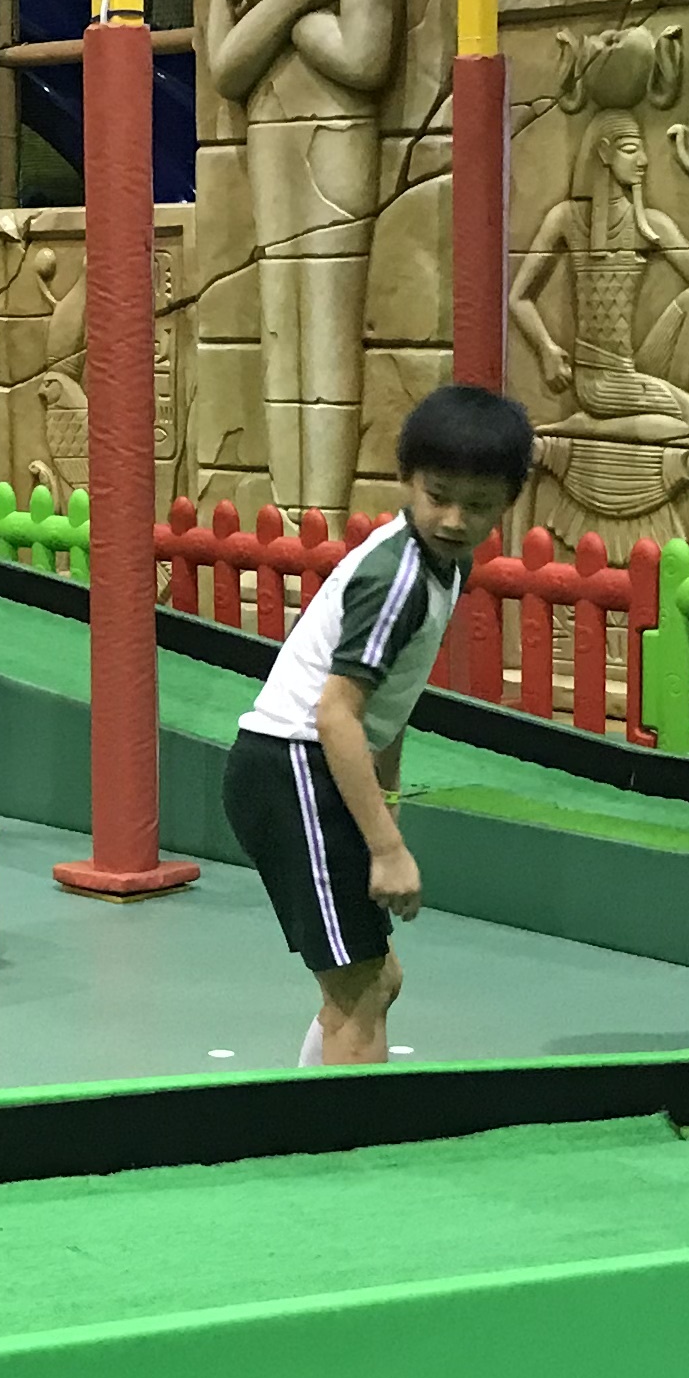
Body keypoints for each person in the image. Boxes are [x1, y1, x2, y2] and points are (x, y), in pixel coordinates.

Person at [224, 382, 537, 1068]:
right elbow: (336, 713)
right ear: (405, 480)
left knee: (376, 981)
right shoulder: (397, 578)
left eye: (478, 505)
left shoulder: (446, 566)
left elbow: (391, 701)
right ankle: (350, 1139)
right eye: (438, 495)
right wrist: (387, 847)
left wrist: (385, 801)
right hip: (292, 768)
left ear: (509, 503)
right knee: (360, 994)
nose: (454, 518)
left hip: (312, 770)